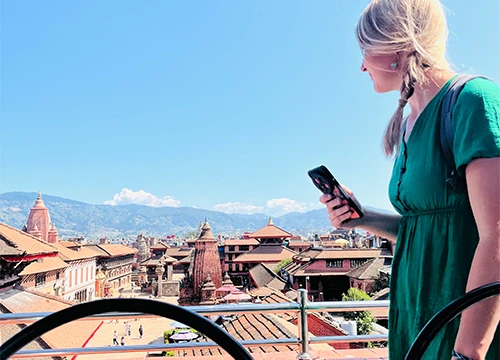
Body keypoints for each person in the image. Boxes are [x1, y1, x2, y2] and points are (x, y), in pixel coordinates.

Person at [320, 1, 500, 359]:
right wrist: (363, 217)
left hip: (462, 327)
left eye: (364, 50)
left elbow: (497, 235)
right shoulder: (406, 124)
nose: (361, 65)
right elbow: (425, 229)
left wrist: (466, 354)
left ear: (395, 49)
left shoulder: (473, 102)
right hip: (415, 316)